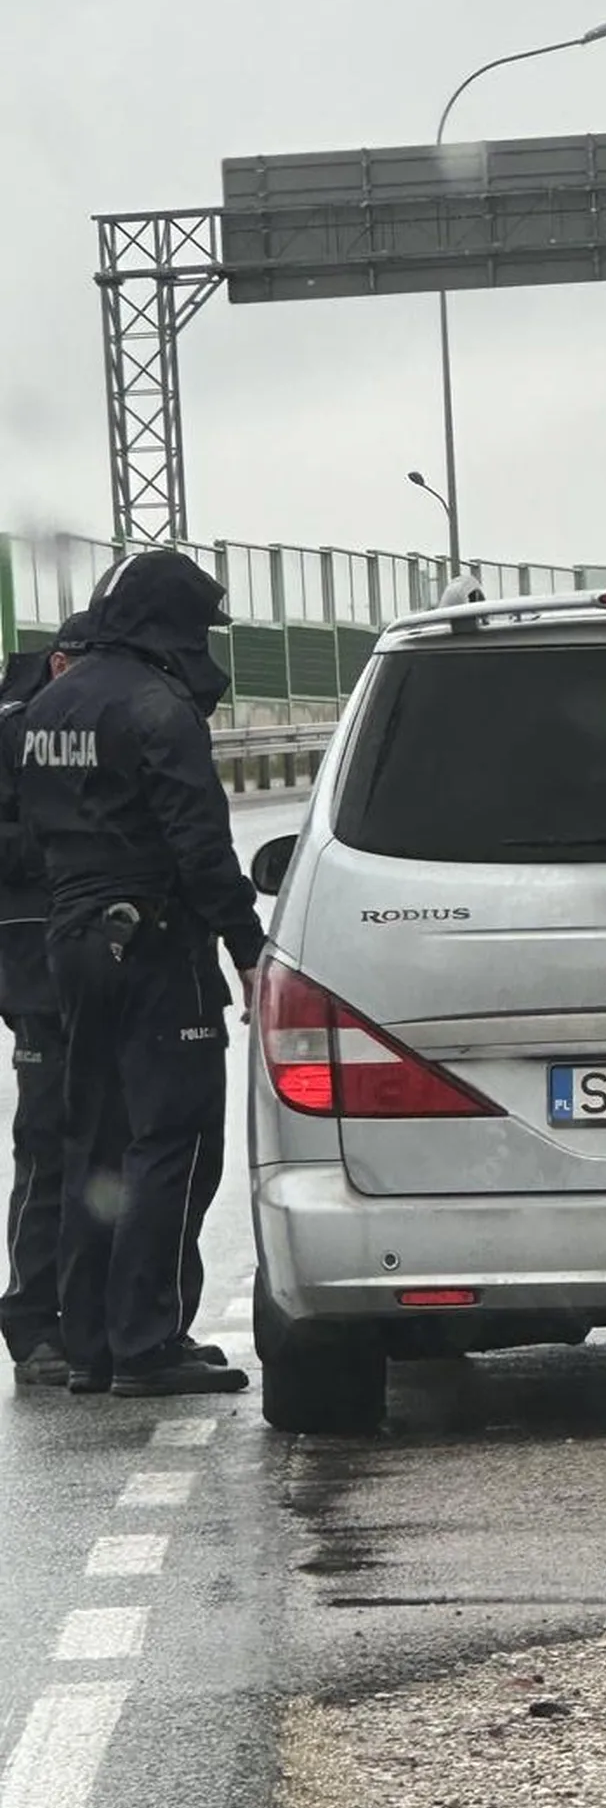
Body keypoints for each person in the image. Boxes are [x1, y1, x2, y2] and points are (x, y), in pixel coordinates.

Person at [0, 552, 264, 1397]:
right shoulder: (160, 708)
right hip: (156, 943)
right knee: (173, 1141)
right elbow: (200, 847)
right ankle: (149, 1342)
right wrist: (246, 947)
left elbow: (37, 835)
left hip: (71, 941)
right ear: (171, 621)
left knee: (92, 1137)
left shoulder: (48, 703)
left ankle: (91, 1345)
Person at [0, 647, 68, 1384]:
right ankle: (32, 1315)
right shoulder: (17, 730)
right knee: (49, 1144)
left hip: (73, 966)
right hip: (37, 973)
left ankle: (79, 1311)